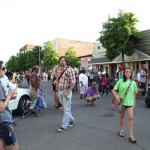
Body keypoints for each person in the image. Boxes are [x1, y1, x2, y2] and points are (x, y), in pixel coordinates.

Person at [112, 67, 138, 143]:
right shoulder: (120, 81)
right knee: (121, 116)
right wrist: (117, 97)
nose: (128, 73)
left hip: (130, 103)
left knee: (130, 118)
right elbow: (113, 90)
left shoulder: (133, 83)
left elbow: (134, 94)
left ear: (131, 73)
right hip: (122, 103)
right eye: (126, 72)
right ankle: (121, 130)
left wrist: (134, 104)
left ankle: (131, 135)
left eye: (130, 72)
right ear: (124, 73)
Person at [0, 60, 19, 150]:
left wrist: (9, 97)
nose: (4, 70)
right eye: (3, 68)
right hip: (4, 120)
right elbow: (0, 108)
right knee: (14, 146)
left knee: (2, 146)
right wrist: (10, 95)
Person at [55, 56, 75, 132]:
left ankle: (64, 125)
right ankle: (72, 120)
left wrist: (68, 91)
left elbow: (73, 83)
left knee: (66, 109)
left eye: (63, 60)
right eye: (60, 60)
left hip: (66, 90)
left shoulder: (70, 70)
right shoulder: (58, 70)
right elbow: (57, 81)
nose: (62, 61)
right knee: (65, 108)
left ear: (66, 61)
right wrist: (56, 91)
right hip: (60, 90)